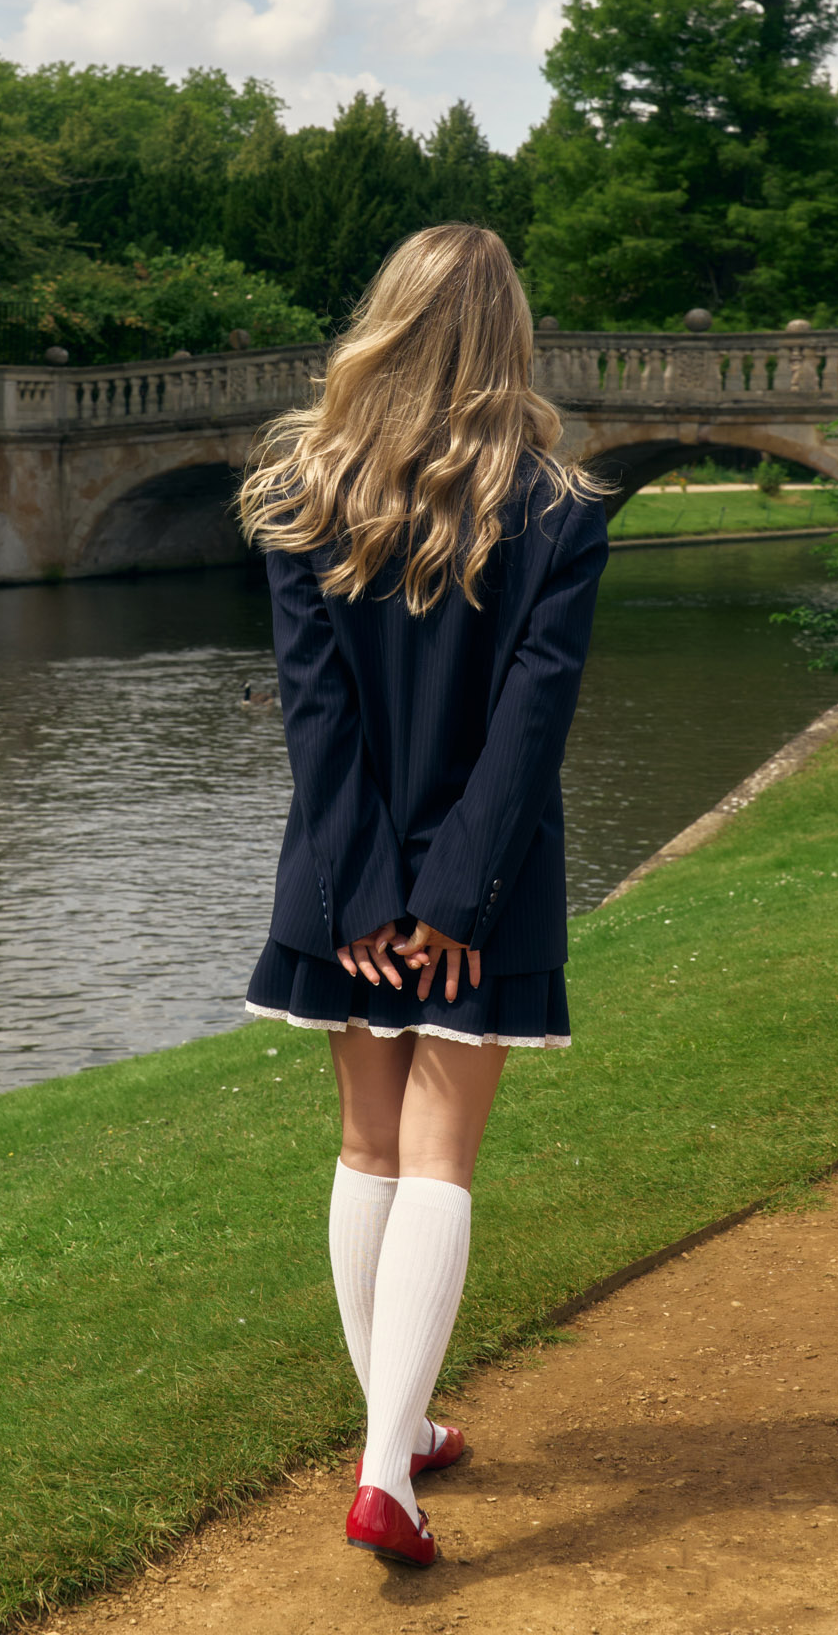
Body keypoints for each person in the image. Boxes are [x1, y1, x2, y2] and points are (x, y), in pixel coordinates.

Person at [237, 224, 608, 1568]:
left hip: (344, 876)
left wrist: (373, 901)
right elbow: (527, 727)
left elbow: (316, 719)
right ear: (510, 337)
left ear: (383, 323)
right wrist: (451, 902)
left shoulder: (300, 491)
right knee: (439, 1160)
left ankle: (394, 1432)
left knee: (367, 1150)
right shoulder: (560, 509)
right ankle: (388, 1465)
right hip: (484, 883)